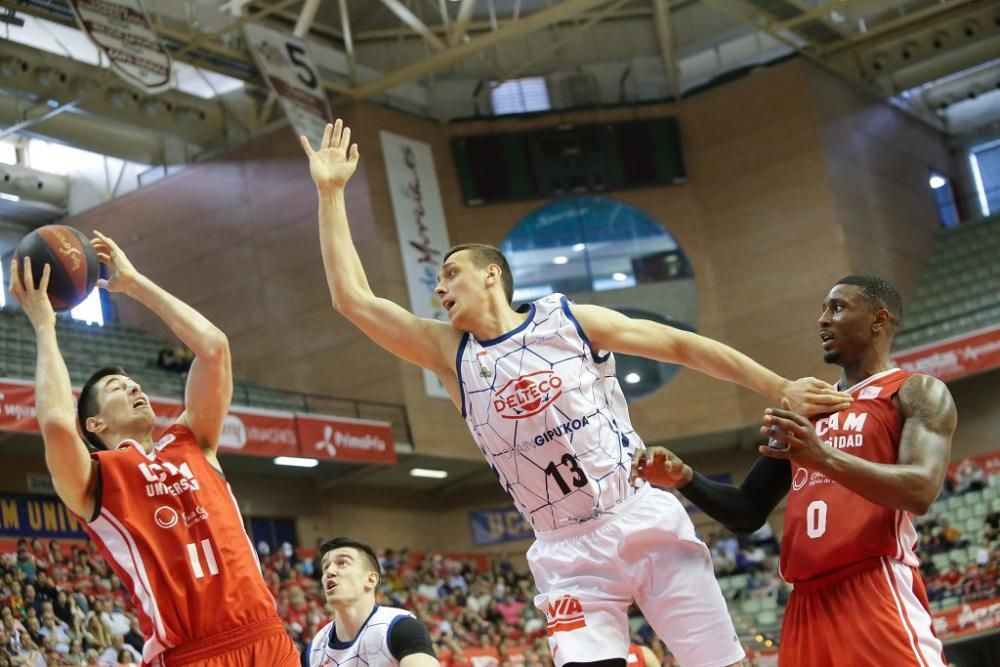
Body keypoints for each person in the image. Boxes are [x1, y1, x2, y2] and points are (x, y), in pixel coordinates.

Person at [300, 119, 851, 667]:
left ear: (492, 275)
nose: (440, 289)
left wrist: (779, 386)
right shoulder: (451, 353)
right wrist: (330, 194)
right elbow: (353, 299)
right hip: (564, 549)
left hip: (637, 513)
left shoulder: (566, 321)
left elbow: (681, 345)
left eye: (451, 274)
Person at [9, 234, 299, 666]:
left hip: (267, 639)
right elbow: (53, 422)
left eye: (131, 381)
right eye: (115, 387)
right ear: (95, 424)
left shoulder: (193, 442)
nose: (132, 385)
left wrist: (136, 284)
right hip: (192, 654)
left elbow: (214, 349)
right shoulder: (96, 478)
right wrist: (44, 325)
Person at [636, 276, 956, 667]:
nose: (823, 320)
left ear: (879, 320)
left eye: (837, 308)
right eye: (822, 309)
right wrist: (685, 477)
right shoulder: (809, 408)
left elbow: (921, 489)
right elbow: (747, 510)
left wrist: (822, 457)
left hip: (874, 585)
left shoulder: (913, 391)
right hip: (805, 604)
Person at [302, 537, 439, 667]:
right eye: (325, 567)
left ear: (371, 579)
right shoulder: (312, 652)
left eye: (342, 563)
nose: (329, 572)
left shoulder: (399, 627)